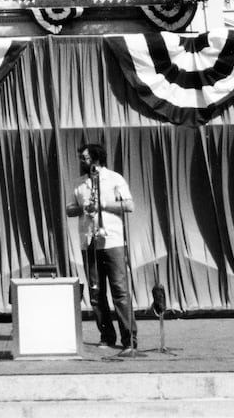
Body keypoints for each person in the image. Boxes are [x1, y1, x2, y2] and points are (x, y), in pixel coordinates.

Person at [65, 143, 137, 356]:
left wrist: (103, 205)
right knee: (96, 293)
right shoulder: (79, 183)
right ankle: (107, 335)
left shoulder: (115, 178)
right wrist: (83, 208)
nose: (82, 161)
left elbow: (129, 205)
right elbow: (69, 209)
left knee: (120, 291)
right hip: (89, 242)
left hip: (112, 241)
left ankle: (129, 340)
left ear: (96, 159)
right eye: (81, 157)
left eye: (85, 158)